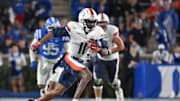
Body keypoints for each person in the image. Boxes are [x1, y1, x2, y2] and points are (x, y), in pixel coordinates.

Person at [29, 8, 109, 101]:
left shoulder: (98, 32)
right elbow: (54, 33)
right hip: (70, 59)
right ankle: (75, 100)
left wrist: (98, 49)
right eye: (88, 22)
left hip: (80, 61)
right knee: (87, 75)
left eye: (93, 22)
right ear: (82, 21)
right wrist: (39, 43)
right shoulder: (74, 27)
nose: (91, 24)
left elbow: (106, 51)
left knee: (58, 91)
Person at [29, 17, 69, 96]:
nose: (53, 30)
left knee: (51, 85)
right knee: (41, 85)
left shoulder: (62, 36)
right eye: (51, 28)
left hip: (57, 62)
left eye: (55, 28)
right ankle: (44, 96)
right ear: (46, 27)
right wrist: (32, 60)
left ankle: (46, 97)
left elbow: (68, 50)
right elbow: (32, 48)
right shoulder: (41, 34)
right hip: (43, 61)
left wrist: (65, 61)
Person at [93, 13, 125, 101]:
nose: (102, 25)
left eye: (104, 22)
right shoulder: (93, 31)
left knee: (113, 82)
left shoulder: (111, 31)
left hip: (112, 59)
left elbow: (121, 46)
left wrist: (109, 51)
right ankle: (98, 99)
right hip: (100, 59)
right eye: (100, 22)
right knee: (97, 80)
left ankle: (119, 92)